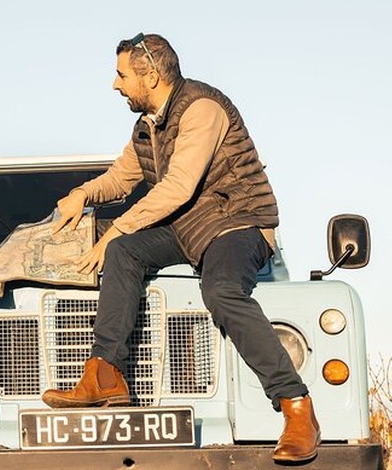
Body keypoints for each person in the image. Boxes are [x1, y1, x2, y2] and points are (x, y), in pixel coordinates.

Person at [41, 34, 320, 463]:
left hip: (236, 222)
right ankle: (104, 374)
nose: (115, 85)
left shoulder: (201, 108)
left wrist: (117, 228)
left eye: (121, 75)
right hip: (188, 230)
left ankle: (296, 407)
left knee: (221, 290)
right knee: (123, 252)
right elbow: (120, 178)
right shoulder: (147, 127)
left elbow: (177, 187)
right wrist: (83, 193)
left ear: (151, 75)